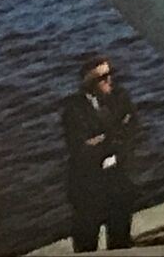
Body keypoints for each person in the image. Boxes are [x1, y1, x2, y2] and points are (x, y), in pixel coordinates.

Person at [62, 54, 138, 252]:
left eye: (110, 75)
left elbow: (131, 132)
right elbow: (81, 148)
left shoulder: (120, 97)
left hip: (118, 181)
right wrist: (112, 137)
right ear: (89, 83)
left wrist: (104, 140)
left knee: (120, 239)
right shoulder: (73, 109)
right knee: (86, 241)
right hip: (88, 187)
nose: (108, 81)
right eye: (102, 78)